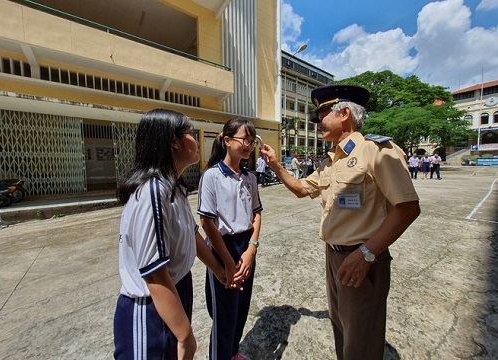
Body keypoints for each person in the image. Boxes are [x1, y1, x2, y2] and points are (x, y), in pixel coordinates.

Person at [261, 85, 420, 360]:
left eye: (322, 113)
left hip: (363, 258)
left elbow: (407, 208)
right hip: (334, 256)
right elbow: (301, 189)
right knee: (343, 331)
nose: (317, 121)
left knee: (362, 341)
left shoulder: (377, 151)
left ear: (344, 112)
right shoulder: (331, 160)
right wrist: (275, 165)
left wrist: (367, 253)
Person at [113, 109, 226, 360]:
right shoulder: (153, 192)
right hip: (151, 307)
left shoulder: (173, 187)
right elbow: (154, 274)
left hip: (175, 291)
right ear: (173, 141)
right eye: (190, 133)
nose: (196, 140)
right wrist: (186, 336)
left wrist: (218, 269)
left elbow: (192, 234)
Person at [197, 118, 263, 360]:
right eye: (244, 139)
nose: (248, 145)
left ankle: (233, 352)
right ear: (227, 140)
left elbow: (256, 213)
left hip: (245, 247)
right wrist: (226, 260)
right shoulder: (211, 176)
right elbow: (207, 222)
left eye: (252, 141)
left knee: (242, 306)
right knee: (224, 313)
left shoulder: (250, 177)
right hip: (221, 247)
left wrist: (251, 249)